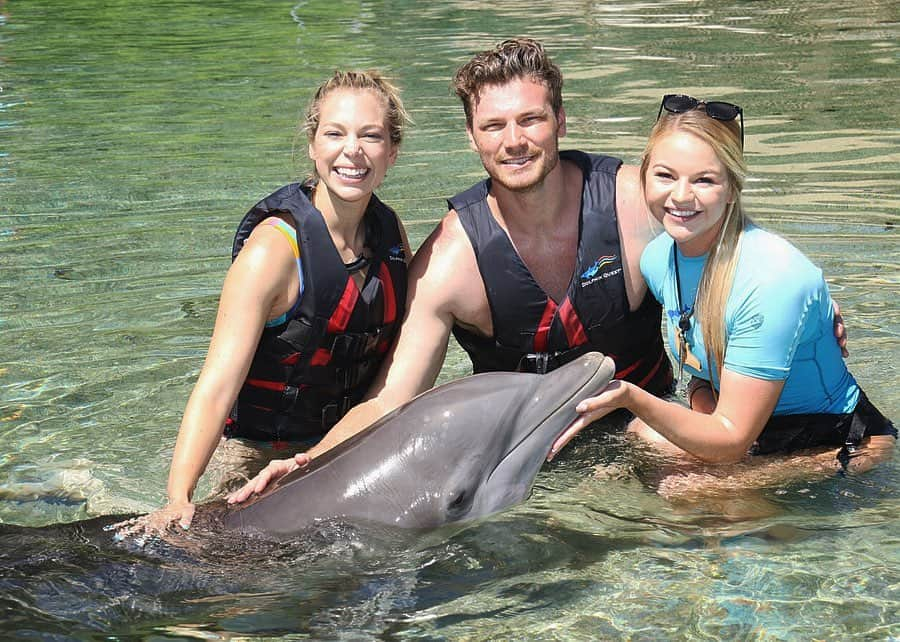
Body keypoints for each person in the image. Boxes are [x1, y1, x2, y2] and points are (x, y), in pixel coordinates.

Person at [227, 38, 674, 501]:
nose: (513, 141)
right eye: (494, 125)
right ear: (471, 135)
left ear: (560, 120)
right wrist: (307, 465)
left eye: (531, 120)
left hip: (647, 432)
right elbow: (390, 399)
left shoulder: (635, 204)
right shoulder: (451, 258)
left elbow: (724, 294)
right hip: (524, 470)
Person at [122, 70, 411, 533]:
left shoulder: (390, 232)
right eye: (334, 133)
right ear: (313, 145)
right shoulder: (272, 253)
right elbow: (217, 383)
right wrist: (178, 498)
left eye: (370, 136)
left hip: (342, 443)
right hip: (256, 452)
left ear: (391, 152)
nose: (351, 150)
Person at [553, 94, 896, 468]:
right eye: (665, 175)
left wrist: (630, 397)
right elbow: (700, 363)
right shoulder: (657, 260)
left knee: (679, 483)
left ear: (732, 188)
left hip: (838, 441)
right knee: (648, 443)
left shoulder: (773, 282)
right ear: (643, 177)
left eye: (705, 180)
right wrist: (704, 403)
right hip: (753, 432)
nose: (681, 196)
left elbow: (731, 439)